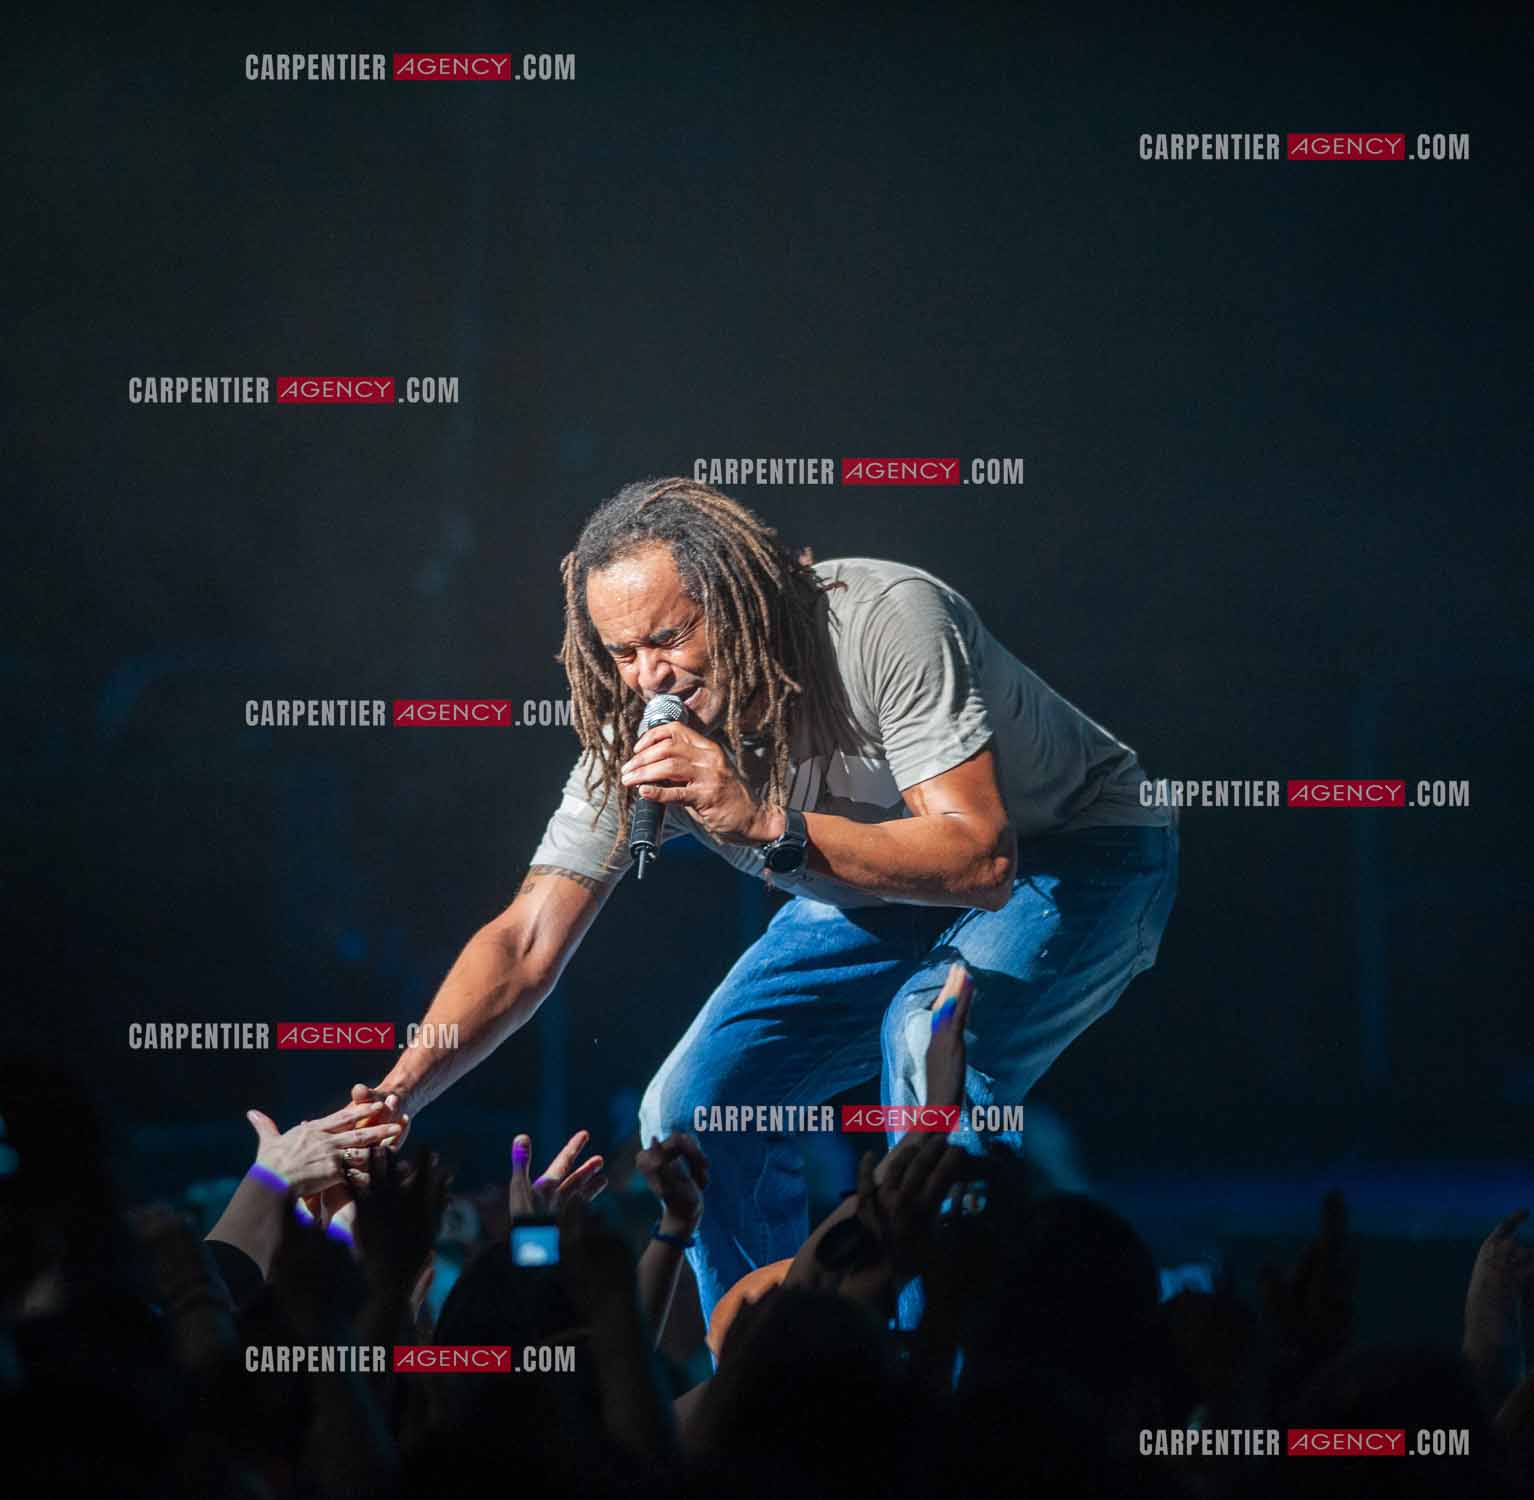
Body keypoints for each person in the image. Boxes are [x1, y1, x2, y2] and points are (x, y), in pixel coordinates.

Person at [334, 475, 1180, 1323]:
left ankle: (952, 1369)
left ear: (742, 600)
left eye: (669, 637)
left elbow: (979, 858)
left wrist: (766, 819)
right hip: (873, 890)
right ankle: (764, 1373)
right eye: (622, 653)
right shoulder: (646, 734)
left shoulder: (884, 620)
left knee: (926, 1038)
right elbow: (525, 939)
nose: (647, 676)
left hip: (1081, 849)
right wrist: (399, 1095)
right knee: (691, 1105)